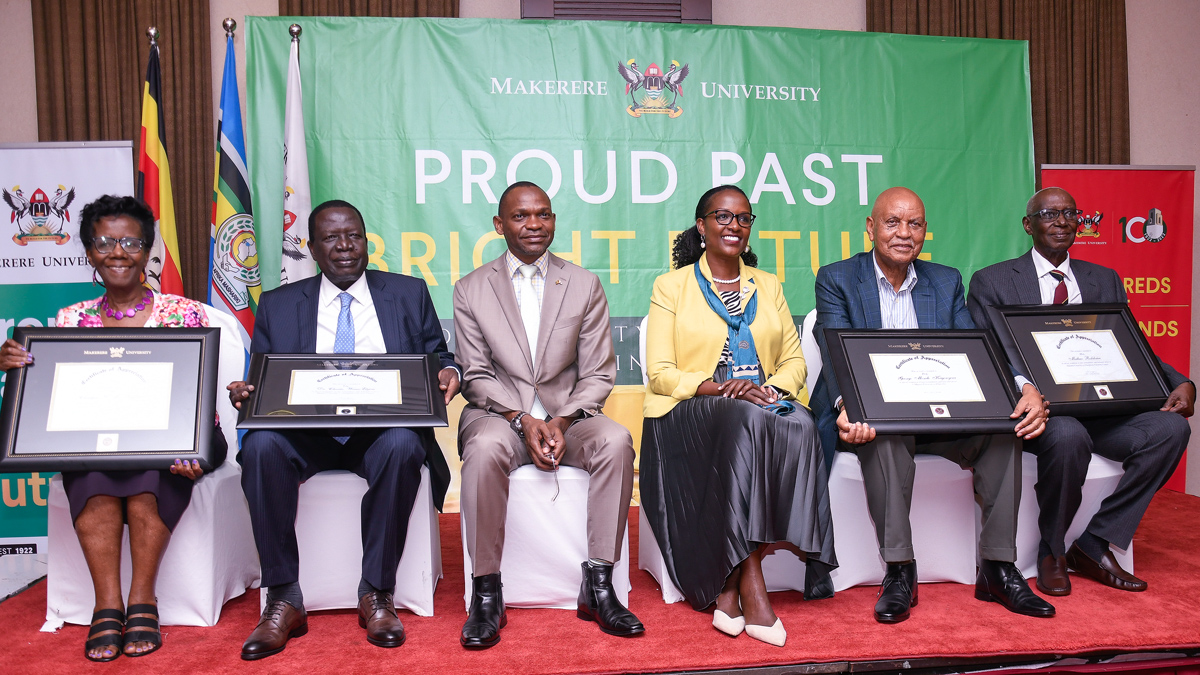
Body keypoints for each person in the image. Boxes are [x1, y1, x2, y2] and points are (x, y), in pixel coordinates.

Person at [226, 200, 459, 660]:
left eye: (354, 235)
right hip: (306, 436)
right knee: (262, 447)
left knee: (402, 443)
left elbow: (439, 356)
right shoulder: (278, 305)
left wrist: (450, 373)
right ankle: (283, 597)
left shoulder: (408, 293)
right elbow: (266, 379)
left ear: (367, 241)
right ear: (312, 248)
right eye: (332, 238)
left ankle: (376, 592)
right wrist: (247, 392)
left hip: (376, 434)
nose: (345, 246)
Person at [810, 186, 1055, 623]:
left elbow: (978, 349)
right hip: (873, 414)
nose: (904, 233)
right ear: (870, 228)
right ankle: (901, 571)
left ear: (925, 230)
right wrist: (850, 404)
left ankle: (998, 568)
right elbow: (835, 352)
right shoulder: (837, 279)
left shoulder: (945, 281)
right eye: (892, 222)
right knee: (883, 433)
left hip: (943, 416)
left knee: (1004, 431)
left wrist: (1024, 387)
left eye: (915, 224)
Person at [1, 195, 226, 662]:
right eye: (105, 241)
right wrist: (18, 368)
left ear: (148, 251)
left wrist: (194, 449)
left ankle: (143, 599)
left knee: (147, 474)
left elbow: (200, 409)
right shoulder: (68, 321)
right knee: (95, 474)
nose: (117, 251)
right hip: (93, 440)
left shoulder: (186, 314)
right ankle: (108, 603)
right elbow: (50, 401)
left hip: (179, 439)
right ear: (88, 252)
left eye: (130, 241)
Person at [967, 186, 1194, 596]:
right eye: (1050, 214)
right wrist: (1028, 391)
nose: (1062, 222)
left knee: (1171, 431)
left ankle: (1095, 541)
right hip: (1044, 412)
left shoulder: (1102, 279)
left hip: (1106, 410)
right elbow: (992, 354)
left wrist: (1181, 380)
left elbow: (1132, 345)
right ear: (1028, 225)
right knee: (1070, 435)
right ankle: (1052, 551)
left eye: (1070, 214)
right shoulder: (993, 281)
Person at [640, 185, 837, 647]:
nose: (734, 226)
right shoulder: (672, 286)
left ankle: (729, 586)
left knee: (803, 424)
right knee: (744, 419)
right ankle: (752, 584)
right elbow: (661, 375)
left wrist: (770, 388)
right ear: (701, 226)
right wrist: (722, 388)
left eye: (744, 218)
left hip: (757, 403)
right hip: (686, 412)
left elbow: (794, 361)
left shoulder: (766, 284)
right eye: (722, 217)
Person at [452, 181, 643, 649]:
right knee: (483, 446)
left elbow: (598, 372)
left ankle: (599, 584)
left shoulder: (583, 283)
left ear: (554, 220)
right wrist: (522, 419)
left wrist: (562, 420)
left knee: (616, 440)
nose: (534, 224)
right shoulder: (471, 289)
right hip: (499, 416)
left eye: (544, 214)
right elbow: (475, 375)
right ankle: (487, 592)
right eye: (520, 216)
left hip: (568, 420)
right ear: (499, 225)